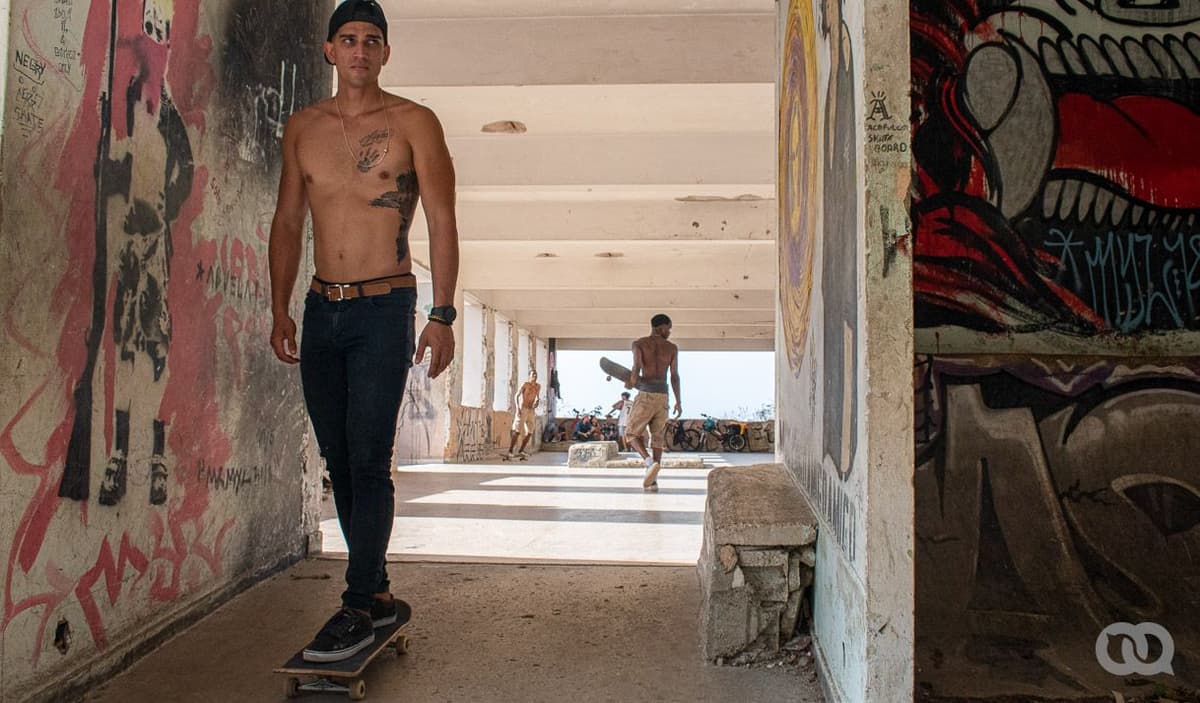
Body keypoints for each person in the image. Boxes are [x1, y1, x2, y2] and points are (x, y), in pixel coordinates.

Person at [268, 0, 459, 664]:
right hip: (323, 308)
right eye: (347, 38)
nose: (359, 49)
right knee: (339, 458)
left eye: (371, 40)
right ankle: (374, 590)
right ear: (329, 50)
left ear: (385, 53)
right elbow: (288, 220)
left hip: (385, 306)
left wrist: (443, 314)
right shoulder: (304, 127)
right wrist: (279, 308)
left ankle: (355, 603)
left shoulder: (414, 122)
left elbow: (442, 218)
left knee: (370, 457)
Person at [624, 314, 682, 492]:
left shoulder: (639, 344)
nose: (669, 332)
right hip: (663, 396)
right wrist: (678, 401)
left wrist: (631, 382)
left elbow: (636, 368)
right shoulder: (672, 348)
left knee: (631, 433)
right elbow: (674, 376)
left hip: (646, 395)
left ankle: (649, 462)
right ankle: (653, 481)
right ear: (661, 327)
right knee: (657, 438)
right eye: (668, 328)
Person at [507, 370, 541, 459]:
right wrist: (517, 408)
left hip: (531, 410)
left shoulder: (538, 386)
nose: (534, 376)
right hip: (523, 409)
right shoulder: (525, 385)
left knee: (530, 432)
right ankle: (510, 451)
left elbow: (537, 397)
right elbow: (516, 396)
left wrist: (537, 402)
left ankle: (521, 450)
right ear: (529, 376)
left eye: (536, 374)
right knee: (517, 431)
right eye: (533, 374)